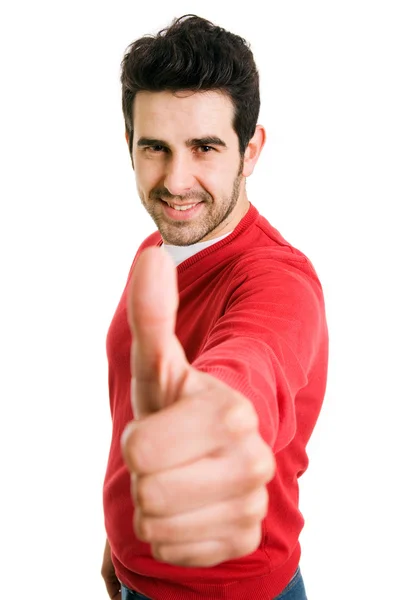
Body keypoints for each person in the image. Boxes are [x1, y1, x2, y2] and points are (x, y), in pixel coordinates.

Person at [101, 14, 329, 600]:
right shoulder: (157, 249)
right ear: (129, 144)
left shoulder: (280, 281)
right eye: (155, 147)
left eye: (205, 147)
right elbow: (142, 403)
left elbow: (251, 364)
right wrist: (121, 536)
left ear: (249, 149)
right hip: (139, 580)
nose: (176, 181)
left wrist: (213, 427)